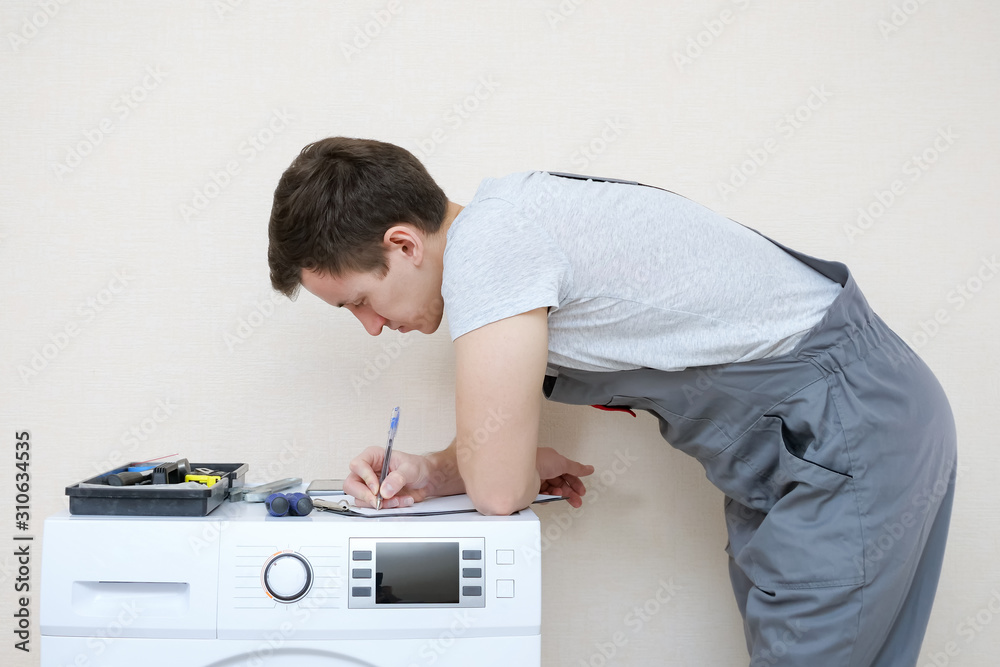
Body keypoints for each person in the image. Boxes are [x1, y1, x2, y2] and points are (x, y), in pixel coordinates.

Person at [267, 136, 957, 666]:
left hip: (848, 428)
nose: (371, 326)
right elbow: (494, 454)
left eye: (359, 300)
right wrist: (435, 468)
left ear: (403, 243)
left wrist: (494, 465)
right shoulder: (506, 229)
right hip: (810, 442)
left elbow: (500, 488)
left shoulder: (493, 248)